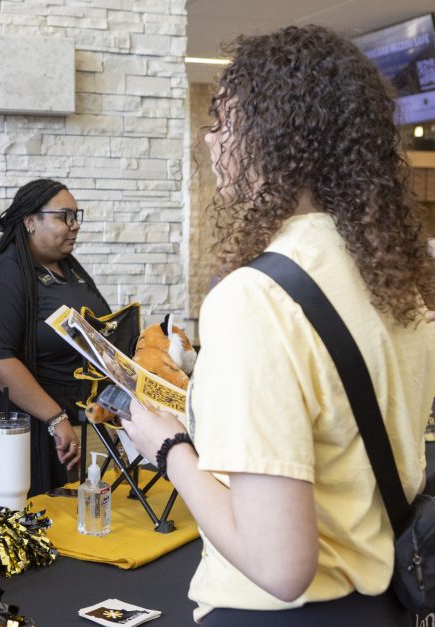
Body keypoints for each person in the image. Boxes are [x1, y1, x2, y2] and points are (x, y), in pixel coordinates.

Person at [123, 26, 435, 626]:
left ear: (277, 135)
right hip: (386, 602)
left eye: (224, 121)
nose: (210, 141)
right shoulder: (397, 284)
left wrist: (167, 449)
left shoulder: (256, 297)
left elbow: (280, 564)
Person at [0, 179, 104, 496]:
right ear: (30, 221)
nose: (75, 225)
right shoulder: (4, 275)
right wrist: (55, 419)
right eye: (63, 216)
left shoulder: (69, 268)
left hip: (63, 420)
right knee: (27, 526)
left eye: (76, 215)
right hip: (20, 427)